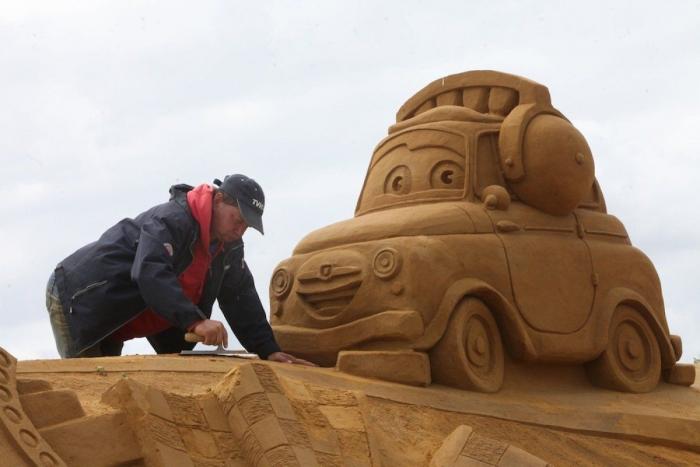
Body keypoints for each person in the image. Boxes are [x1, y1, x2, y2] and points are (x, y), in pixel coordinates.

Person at [46, 174, 313, 365]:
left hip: (120, 318)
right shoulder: (172, 220)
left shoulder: (228, 247)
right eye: (238, 219)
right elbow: (151, 271)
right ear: (218, 199)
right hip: (79, 296)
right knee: (91, 382)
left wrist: (268, 350)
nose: (240, 230)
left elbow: (240, 297)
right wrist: (195, 320)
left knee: (108, 381)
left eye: (247, 226)